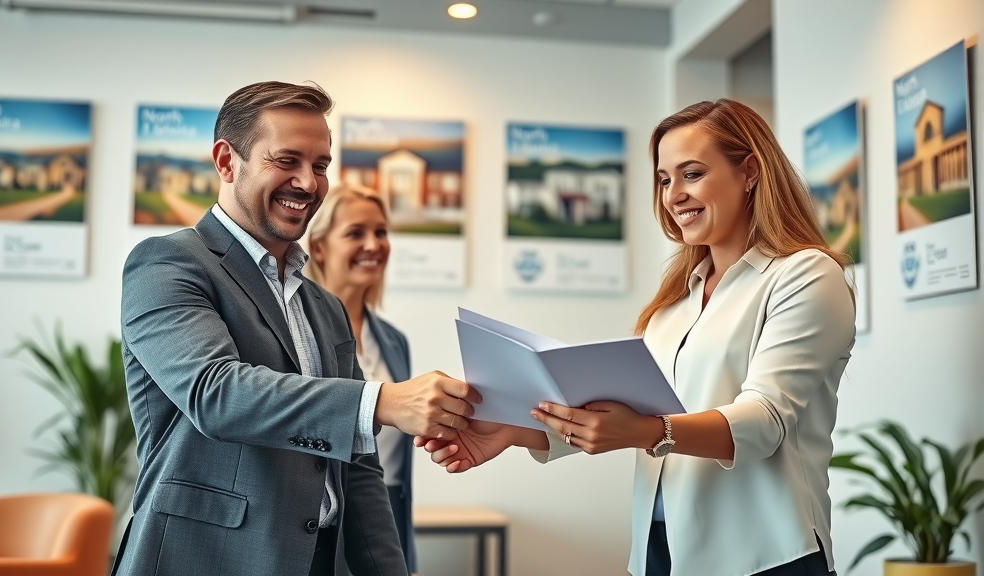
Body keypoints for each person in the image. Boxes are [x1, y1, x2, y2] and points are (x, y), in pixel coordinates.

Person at [419, 99, 856, 576]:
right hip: (661, 551)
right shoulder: (673, 303)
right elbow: (631, 414)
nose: (673, 196)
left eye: (691, 174)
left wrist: (651, 431)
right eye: (665, 180)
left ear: (749, 171)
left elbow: (764, 422)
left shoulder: (807, 275)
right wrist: (511, 430)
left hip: (767, 555)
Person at [115, 80, 480, 576]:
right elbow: (214, 393)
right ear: (226, 161)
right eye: (286, 160)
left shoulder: (323, 306)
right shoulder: (169, 264)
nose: (309, 183)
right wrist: (383, 402)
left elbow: (360, 468)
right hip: (205, 559)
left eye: (321, 165)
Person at [302, 183, 419, 575]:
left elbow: (397, 463)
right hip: (316, 524)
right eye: (356, 233)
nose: (373, 244)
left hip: (386, 515)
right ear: (318, 247)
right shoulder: (295, 330)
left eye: (381, 232)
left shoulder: (394, 341)